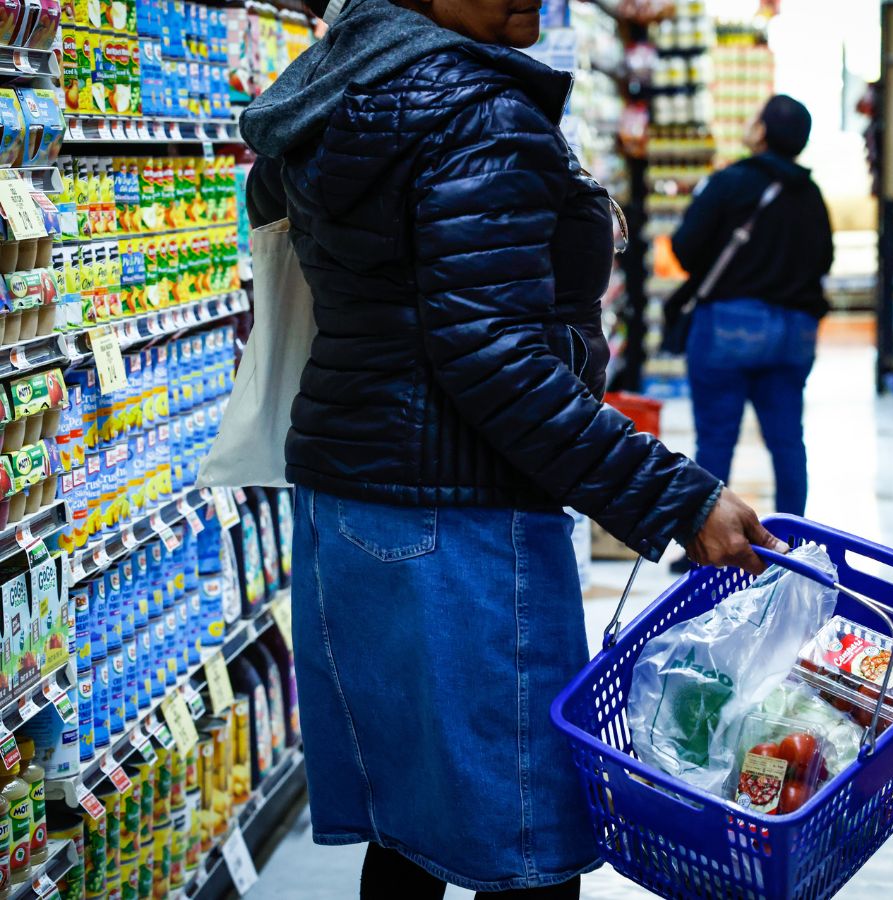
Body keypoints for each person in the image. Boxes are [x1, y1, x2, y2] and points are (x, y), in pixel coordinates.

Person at [240, 1, 787, 897]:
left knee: (409, 833)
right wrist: (678, 499)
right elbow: (497, 362)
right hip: (461, 515)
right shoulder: (475, 108)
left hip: (352, 503)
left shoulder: (346, 86)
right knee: (530, 844)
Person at [671, 95, 833, 552]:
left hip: (729, 327)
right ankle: (794, 543)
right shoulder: (811, 195)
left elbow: (685, 248)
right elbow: (824, 258)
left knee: (717, 439)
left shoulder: (729, 183)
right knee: (787, 440)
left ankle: (705, 542)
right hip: (794, 332)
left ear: (761, 132)